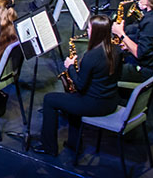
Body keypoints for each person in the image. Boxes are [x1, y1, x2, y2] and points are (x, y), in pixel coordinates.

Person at [36, 15, 120, 156]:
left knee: (49, 99)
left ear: (96, 32)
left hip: (94, 104)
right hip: (111, 101)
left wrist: (70, 67)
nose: (87, 31)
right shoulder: (115, 50)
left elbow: (80, 85)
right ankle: (73, 143)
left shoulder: (92, 56)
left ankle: (48, 147)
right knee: (72, 100)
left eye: (89, 28)